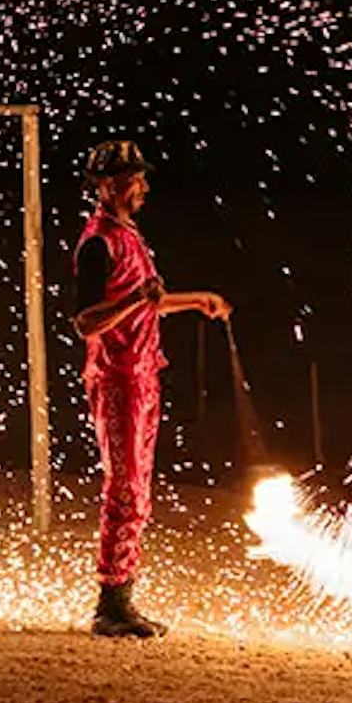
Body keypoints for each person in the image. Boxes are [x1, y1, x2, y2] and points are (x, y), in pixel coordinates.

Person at [69, 138, 224, 639]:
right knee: (125, 486)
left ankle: (123, 598)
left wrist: (191, 301)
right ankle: (110, 606)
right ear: (108, 186)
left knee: (138, 489)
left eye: (141, 178)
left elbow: (144, 300)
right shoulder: (99, 241)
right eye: (133, 180)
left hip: (142, 372)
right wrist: (139, 298)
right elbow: (86, 322)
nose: (143, 187)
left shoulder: (128, 234)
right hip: (117, 377)